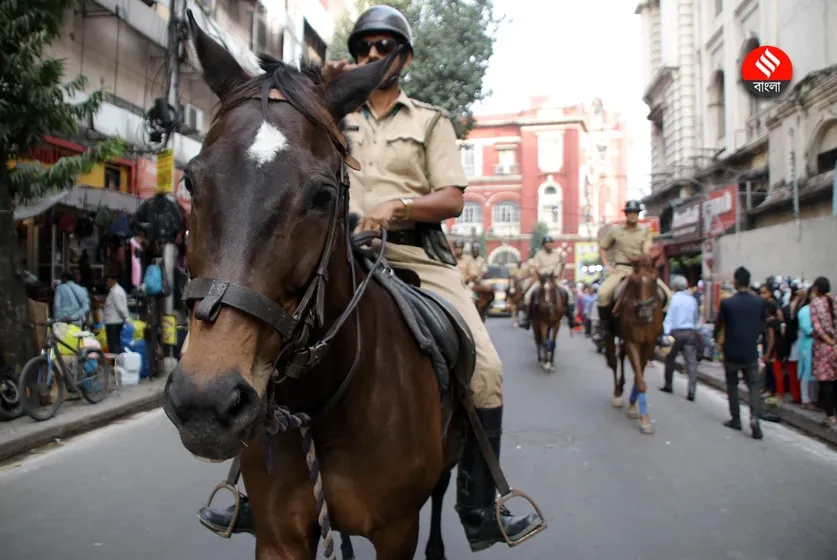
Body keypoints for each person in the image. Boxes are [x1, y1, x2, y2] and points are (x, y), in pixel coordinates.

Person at [197, 5, 543, 550]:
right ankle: (248, 490)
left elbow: (452, 197)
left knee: (489, 368)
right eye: (365, 48)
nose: (374, 55)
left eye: (386, 47)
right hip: (339, 247)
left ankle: (481, 505)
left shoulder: (429, 121)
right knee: (275, 336)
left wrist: (398, 208)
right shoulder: (331, 112)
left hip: (414, 257)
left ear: (403, 58)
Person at [596, 200, 672, 338]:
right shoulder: (615, 231)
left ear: (638, 215)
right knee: (602, 294)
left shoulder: (645, 232)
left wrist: (646, 259)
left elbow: (646, 250)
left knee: (669, 296)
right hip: (620, 270)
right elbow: (602, 247)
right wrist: (607, 265)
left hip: (639, 270)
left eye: (635, 213)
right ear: (626, 214)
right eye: (630, 212)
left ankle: (659, 330)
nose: (633, 215)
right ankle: (605, 328)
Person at [714, 266, 765, 439]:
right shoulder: (758, 302)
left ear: (736, 281)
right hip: (750, 350)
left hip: (731, 350)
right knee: (753, 385)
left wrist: (717, 342)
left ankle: (736, 418)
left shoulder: (727, 303)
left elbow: (719, 326)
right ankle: (754, 417)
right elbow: (761, 325)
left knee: (732, 385)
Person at [522, 235, 575, 329]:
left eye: (550, 244)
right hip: (542, 280)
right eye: (547, 244)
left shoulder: (558, 254)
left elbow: (562, 264)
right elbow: (535, 266)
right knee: (527, 296)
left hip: (554, 279)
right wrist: (540, 274)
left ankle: (571, 319)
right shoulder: (539, 254)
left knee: (569, 294)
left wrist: (558, 273)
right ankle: (527, 319)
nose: (549, 245)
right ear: (544, 245)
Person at [660, 275, 700, 401]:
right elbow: (695, 317)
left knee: (670, 359)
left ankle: (668, 384)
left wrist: (665, 334)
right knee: (691, 362)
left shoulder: (673, 299)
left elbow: (669, 318)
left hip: (674, 333)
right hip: (689, 332)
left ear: (675, 287)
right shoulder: (692, 300)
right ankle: (692, 391)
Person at [809, 276, 837, 426]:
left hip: (823, 347)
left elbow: (818, 328)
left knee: (826, 381)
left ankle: (830, 416)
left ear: (816, 288)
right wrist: (836, 344)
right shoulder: (836, 301)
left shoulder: (815, 304)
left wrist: (830, 342)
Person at [796, 284, 820, 411]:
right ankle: (806, 400)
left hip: (818, 345)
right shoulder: (805, 310)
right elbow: (807, 329)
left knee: (816, 373)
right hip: (808, 345)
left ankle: (814, 400)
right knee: (807, 372)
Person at [103, 274, 130, 354]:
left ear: (113, 280)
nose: (106, 283)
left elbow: (120, 307)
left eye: (108, 281)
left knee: (114, 345)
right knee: (114, 344)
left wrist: (126, 317)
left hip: (114, 322)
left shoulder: (115, 292)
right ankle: (115, 362)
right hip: (113, 321)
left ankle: (115, 362)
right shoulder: (116, 290)